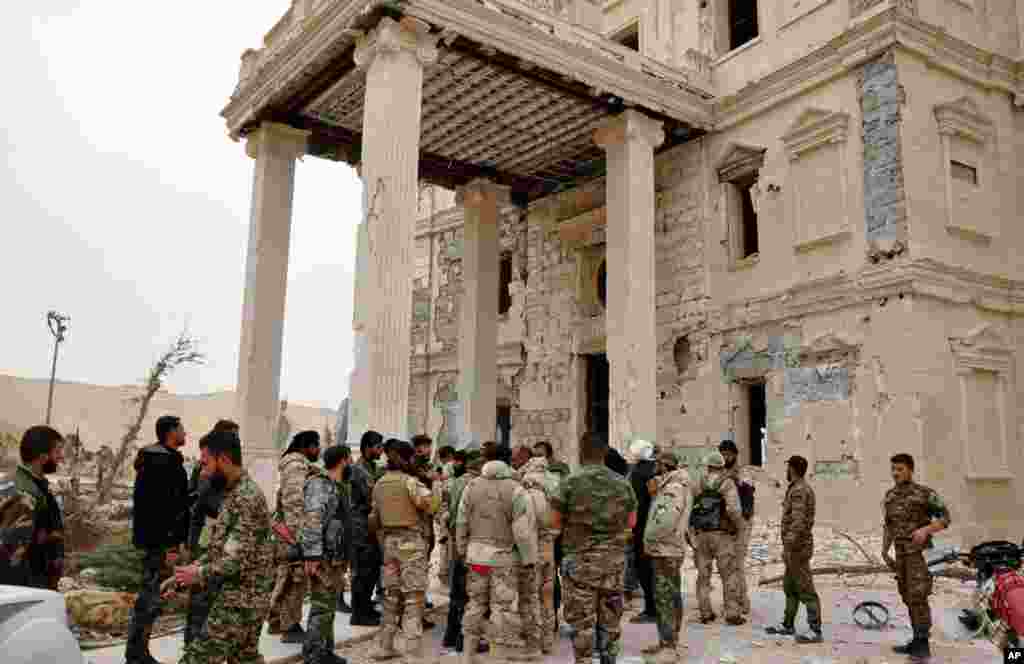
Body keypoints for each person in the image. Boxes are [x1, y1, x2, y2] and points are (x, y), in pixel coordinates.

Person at [175, 429, 275, 664]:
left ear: (225, 460)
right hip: (241, 596)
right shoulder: (234, 494)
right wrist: (186, 573)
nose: (204, 471)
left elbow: (234, 561)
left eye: (206, 463)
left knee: (196, 659)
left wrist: (198, 573)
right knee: (245, 659)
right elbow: (220, 549)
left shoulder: (247, 498)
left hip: (241, 600)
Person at [552, 431, 638, 664]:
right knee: (610, 622)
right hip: (613, 564)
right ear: (604, 453)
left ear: (581, 453)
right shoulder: (623, 484)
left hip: (579, 564)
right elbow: (632, 523)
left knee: (582, 624)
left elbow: (555, 524)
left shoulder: (569, 483)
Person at [456, 441, 537, 662]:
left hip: (476, 557)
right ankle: (497, 656)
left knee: (475, 604)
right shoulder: (516, 489)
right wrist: (529, 559)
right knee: (501, 608)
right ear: (507, 461)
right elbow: (522, 531)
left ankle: (468, 654)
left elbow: (461, 522)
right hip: (503, 558)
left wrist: (462, 550)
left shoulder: (471, 487)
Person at [126, 415, 189, 664]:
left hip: (155, 542)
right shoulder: (164, 463)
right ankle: (137, 653)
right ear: (171, 432)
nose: (186, 433)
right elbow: (167, 508)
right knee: (151, 598)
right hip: (161, 544)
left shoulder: (155, 460)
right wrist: (172, 545)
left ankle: (138, 651)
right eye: (182, 429)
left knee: (150, 597)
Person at [368, 439, 437, 662]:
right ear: (408, 458)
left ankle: (384, 646)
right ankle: (411, 653)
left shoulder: (380, 483)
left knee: (389, 598)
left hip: (389, 545)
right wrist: (436, 486)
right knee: (413, 599)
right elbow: (431, 505)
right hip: (411, 546)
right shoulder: (410, 482)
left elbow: (374, 519)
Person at [881, 453, 951, 658]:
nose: (895, 473)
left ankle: (923, 644)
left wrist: (925, 530)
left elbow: (946, 518)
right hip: (900, 554)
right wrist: (884, 550)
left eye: (900, 469)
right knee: (906, 595)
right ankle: (916, 639)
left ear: (910, 470)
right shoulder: (890, 496)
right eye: (893, 469)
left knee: (918, 596)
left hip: (919, 555)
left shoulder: (924, 494)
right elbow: (888, 526)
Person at [184, 420, 240, 646]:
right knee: (201, 599)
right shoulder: (210, 472)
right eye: (233, 436)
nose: (238, 441)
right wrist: (190, 544)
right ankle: (194, 644)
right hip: (208, 540)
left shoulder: (231, 476)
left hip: (218, 541)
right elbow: (198, 507)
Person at [269, 430, 322, 642]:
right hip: (293, 534)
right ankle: (289, 628)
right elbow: (294, 504)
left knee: (288, 579)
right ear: (307, 446)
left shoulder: (300, 465)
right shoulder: (295, 467)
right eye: (316, 446)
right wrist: (300, 539)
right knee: (293, 579)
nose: (318, 450)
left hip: (291, 532)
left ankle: (279, 622)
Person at [301, 445, 352, 664]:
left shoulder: (337, 486)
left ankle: (324, 651)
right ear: (343, 460)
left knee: (328, 607)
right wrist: (312, 555)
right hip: (323, 558)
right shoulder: (320, 484)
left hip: (334, 557)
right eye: (349, 460)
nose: (351, 464)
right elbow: (313, 519)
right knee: (321, 608)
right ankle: (313, 655)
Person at [0, 425, 66, 589]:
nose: (61, 457)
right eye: (57, 451)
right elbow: (12, 555)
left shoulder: (33, 485)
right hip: (24, 587)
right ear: (43, 456)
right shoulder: (24, 492)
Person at [766, 455, 822, 643]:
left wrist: (788, 545)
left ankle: (815, 630)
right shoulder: (796, 489)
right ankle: (788, 625)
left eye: (788, 467)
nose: (786, 471)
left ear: (792, 469)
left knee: (806, 589)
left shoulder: (799, 491)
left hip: (797, 548)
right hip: (793, 547)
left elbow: (798, 522)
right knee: (790, 588)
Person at [640, 449, 690, 659]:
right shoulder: (670, 485)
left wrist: (649, 539)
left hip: (665, 549)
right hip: (669, 548)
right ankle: (668, 642)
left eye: (658, 464)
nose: (654, 467)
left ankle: (668, 646)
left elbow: (665, 521)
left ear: (665, 465)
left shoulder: (673, 487)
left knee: (664, 597)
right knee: (671, 594)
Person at [689, 451, 744, 625]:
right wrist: (738, 526)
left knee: (703, 576)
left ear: (708, 466)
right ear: (721, 466)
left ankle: (705, 612)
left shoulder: (699, 482)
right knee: (729, 574)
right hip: (722, 535)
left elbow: (691, 506)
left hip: (702, 534)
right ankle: (732, 613)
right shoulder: (727, 483)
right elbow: (733, 510)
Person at [519, 450, 562, 655]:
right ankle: (548, 642)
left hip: (531, 549)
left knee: (531, 597)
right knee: (547, 596)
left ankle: (533, 644)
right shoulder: (555, 487)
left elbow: (523, 527)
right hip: (549, 547)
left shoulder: (525, 491)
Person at [441, 449, 483, 654]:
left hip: (456, 542)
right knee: (469, 594)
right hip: (471, 543)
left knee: (457, 592)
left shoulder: (457, 482)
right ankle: (462, 639)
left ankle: (450, 636)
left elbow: (448, 512)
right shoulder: (476, 485)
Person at [350, 430, 385, 626]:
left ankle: (365, 606)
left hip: (370, 527)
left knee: (371, 569)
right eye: (378, 447)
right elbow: (371, 495)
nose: (381, 450)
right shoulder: (359, 470)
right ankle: (359, 613)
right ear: (367, 447)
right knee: (362, 571)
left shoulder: (372, 468)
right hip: (360, 527)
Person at [718, 439, 754, 616]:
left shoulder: (743, 471)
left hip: (741, 523)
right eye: (722, 454)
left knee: (738, 563)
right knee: (727, 564)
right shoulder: (720, 472)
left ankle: (742, 602)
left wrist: (735, 479)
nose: (725, 457)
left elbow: (748, 490)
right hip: (726, 525)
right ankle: (732, 600)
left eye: (728, 454)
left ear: (734, 455)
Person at [627, 439, 658, 624]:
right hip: (655, 526)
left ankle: (651, 609)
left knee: (644, 568)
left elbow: (634, 503)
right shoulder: (655, 469)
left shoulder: (638, 473)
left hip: (641, 527)